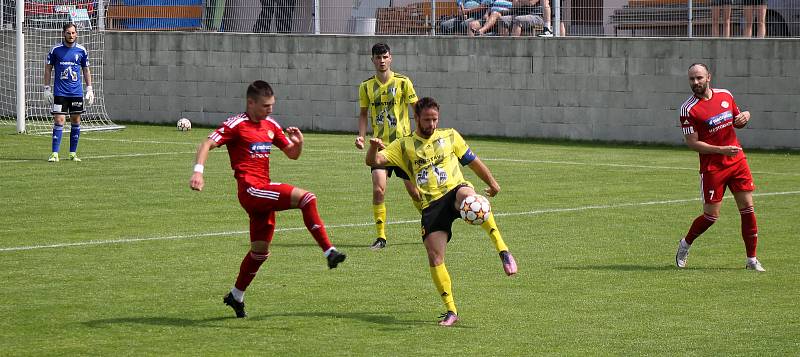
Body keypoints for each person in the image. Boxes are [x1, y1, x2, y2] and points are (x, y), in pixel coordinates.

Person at [190, 80, 347, 318]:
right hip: (252, 190)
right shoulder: (236, 125)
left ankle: (236, 295)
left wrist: (300, 143)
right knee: (307, 198)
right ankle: (329, 252)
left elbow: (292, 154)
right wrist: (198, 172)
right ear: (250, 103)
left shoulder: (271, 125)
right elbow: (206, 143)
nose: (270, 110)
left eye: (272, 105)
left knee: (260, 252)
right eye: (265, 106)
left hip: (262, 195)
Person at [365, 97, 518, 326]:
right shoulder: (403, 145)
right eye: (427, 120)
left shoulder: (450, 136)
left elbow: (473, 161)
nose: (432, 124)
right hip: (431, 205)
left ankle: (503, 251)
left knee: (472, 199)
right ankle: (451, 310)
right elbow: (373, 161)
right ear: (416, 118)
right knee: (435, 257)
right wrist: (373, 148)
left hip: (455, 189)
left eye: (435, 119)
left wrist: (493, 183)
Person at [675, 63, 764, 272]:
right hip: (713, 167)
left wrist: (745, 117)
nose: (695, 82)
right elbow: (692, 143)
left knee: (748, 209)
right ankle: (685, 244)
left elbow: (736, 121)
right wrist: (721, 150)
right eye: (691, 79)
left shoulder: (725, 95)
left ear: (708, 77)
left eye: (699, 78)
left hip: (737, 161)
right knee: (711, 216)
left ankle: (752, 259)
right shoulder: (687, 109)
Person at [355, 43, 422, 251]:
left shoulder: (403, 82)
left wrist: (420, 136)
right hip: (380, 147)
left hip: (403, 147)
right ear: (372, 60)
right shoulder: (366, 86)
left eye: (385, 57)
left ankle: (430, 224)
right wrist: (361, 136)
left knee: (415, 193)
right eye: (378, 57)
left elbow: (417, 110)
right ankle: (381, 237)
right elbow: (364, 114)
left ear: (390, 58)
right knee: (378, 190)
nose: (382, 61)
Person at [44, 23, 94, 162]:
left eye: (73, 33)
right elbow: (48, 68)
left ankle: (73, 153)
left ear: (76, 34)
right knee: (59, 120)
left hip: (76, 93)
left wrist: (89, 88)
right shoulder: (55, 50)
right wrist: (47, 88)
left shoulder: (82, 51)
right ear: (63, 34)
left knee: (76, 121)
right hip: (60, 93)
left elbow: (86, 70)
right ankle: (55, 154)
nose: (71, 36)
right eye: (68, 33)